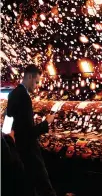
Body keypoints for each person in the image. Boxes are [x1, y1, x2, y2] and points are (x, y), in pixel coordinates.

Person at [6, 64, 56, 196]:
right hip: (30, 151)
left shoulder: (13, 94)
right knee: (44, 187)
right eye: (36, 81)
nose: (37, 85)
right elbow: (30, 132)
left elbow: (11, 117)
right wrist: (46, 122)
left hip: (19, 149)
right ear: (29, 77)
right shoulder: (25, 97)